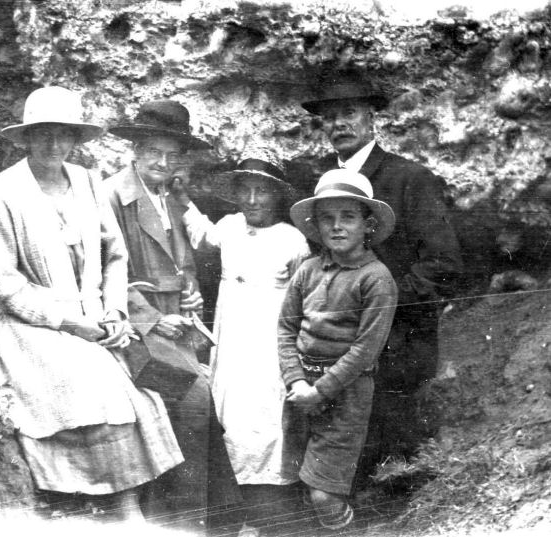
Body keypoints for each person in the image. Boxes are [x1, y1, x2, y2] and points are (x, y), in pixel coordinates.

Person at [0, 86, 183, 525]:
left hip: (95, 315)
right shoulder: (2, 194)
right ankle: (112, 509)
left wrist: (113, 312)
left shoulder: (86, 181)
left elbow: (115, 256)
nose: (53, 146)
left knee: (149, 389)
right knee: (95, 386)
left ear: (75, 139)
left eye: (63, 135)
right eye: (43, 135)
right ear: (26, 138)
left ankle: (133, 508)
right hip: (33, 322)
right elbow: (0, 285)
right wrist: (68, 322)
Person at [297, 73, 463, 473]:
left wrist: (378, 305)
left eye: (349, 112)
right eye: (330, 116)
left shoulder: (409, 178)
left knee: (393, 460)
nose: (339, 124)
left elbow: (443, 265)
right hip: (339, 344)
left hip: (399, 343)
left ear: (372, 119)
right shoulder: (320, 185)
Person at [105, 100, 240, 532]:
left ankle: (208, 524)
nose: (162, 162)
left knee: (199, 409)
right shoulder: (111, 197)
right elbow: (100, 272)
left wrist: (192, 295)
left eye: (172, 155)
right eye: (153, 153)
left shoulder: (172, 200)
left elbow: (186, 265)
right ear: (135, 151)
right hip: (133, 325)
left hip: (176, 327)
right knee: (192, 403)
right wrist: (149, 319)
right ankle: (181, 525)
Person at [172, 146, 312, 534]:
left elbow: (303, 298)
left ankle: (270, 500)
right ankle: (229, 497)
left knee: (265, 410)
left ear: (277, 195)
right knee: (227, 405)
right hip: (231, 334)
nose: (252, 200)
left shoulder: (294, 240)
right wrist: (183, 198)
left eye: (262, 191)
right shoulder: (230, 226)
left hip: (268, 339)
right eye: (245, 190)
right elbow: (201, 236)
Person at [278, 169, 398, 530]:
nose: (337, 226)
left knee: (324, 493)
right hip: (301, 391)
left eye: (348, 216)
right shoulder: (308, 270)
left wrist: (321, 390)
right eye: (327, 218)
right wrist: (296, 382)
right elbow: (286, 327)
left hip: (345, 394)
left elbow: (365, 350)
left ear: (368, 225)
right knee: (301, 479)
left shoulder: (376, 278)